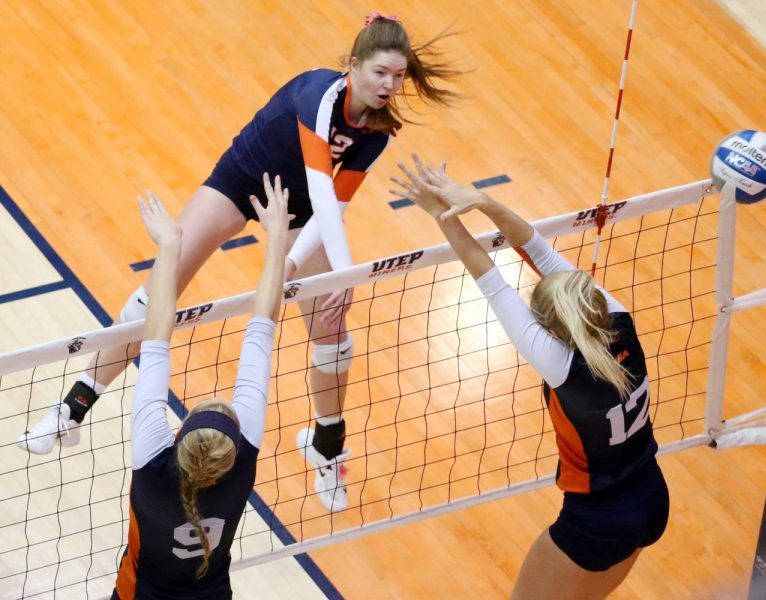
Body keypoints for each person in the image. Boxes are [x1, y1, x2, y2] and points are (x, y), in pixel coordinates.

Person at [18, 14, 461, 512]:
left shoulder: (377, 132)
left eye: (399, 77)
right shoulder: (319, 96)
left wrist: (294, 264)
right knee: (161, 285)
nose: (390, 85)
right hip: (242, 180)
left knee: (334, 336)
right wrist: (338, 271)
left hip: (300, 212)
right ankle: (71, 409)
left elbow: (332, 206)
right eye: (381, 73)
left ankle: (326, 446)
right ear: (354, 66)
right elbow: (320, 182)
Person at [390, 156, 669, 599]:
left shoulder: (560, 364)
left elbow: (490, 277)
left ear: (550, 330)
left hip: (597, 519)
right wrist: (480, 200)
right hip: (652, 497)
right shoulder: (617, 318)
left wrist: (441, 213)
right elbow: (536, 248)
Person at [112, 173, 288, 599]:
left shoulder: (158, 458)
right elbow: (261, 329)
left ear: (181, 436)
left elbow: (153, 336)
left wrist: (170, 247)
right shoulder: (227, 456)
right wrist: (279, 240)